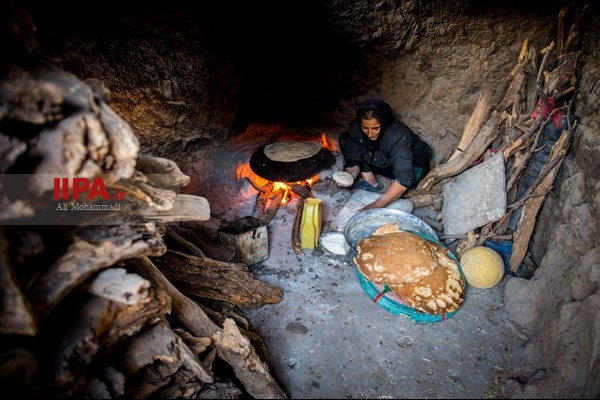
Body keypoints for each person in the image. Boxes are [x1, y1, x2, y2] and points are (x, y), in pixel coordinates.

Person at [336, 98, 433, 210]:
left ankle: (386, 184)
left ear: (384, 123)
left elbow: (404, 177)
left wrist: (377, 204)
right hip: (376, 159)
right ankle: (369, 178)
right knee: (345, 139)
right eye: (365, 128)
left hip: (401, 164)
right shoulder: (356, 127)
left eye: (375, 128)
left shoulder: (398, 135)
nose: (370, 134)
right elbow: (354, 157)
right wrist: (349, 177)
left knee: (416, 168)